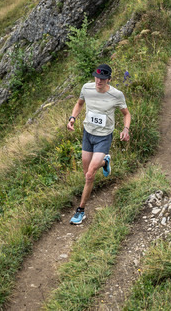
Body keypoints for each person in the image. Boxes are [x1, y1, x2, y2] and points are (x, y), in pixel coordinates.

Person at [66, 63, 131, 224]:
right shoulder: (87, 88)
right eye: (97, 77)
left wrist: (126, 129)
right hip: (88, 134)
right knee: (86, 172)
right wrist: (72, 118)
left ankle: (80, 211)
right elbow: (79, 103)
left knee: (89, 175)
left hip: (103, 137)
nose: (98, 81)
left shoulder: (116, 95)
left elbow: (126, 114)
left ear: (109, 79)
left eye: (102, 79)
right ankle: (105, 162)